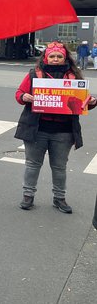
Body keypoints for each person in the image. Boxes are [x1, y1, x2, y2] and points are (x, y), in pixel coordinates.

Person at [15, 42, 96, 213]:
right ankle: (27, 196)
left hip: (64, 131)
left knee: (59, 167)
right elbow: (19, 94)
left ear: (65, 58)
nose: (55, 59)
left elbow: (83, 102)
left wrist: (92, 101)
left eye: (59, 56)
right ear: (46, 58)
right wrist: (24, 96)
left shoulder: (74, 77)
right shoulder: (34, 75)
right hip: (36, 129)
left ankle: (59, 198)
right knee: (32, 164)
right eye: (52, 56)